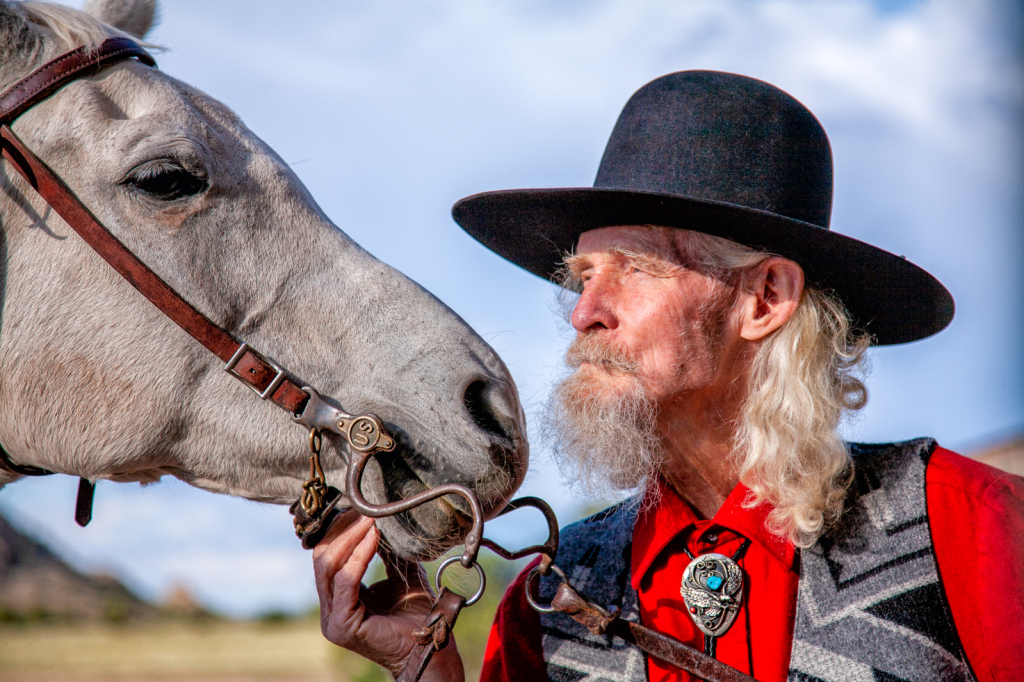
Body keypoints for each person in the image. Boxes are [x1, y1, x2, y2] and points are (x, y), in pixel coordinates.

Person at [312, 71, 1024, 682]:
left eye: (637, 268)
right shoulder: (547, 600)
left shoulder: (977, 530)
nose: (584, 312)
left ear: (765, 298)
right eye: (584, 276)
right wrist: (424, 666)